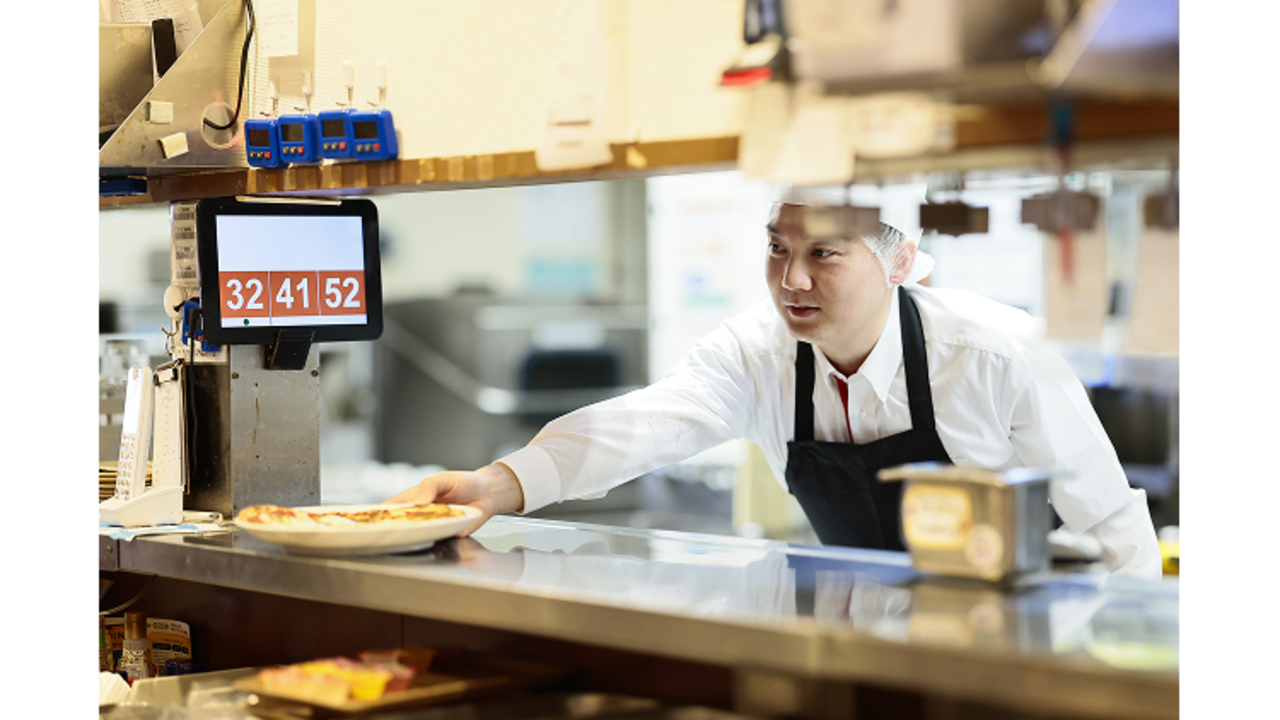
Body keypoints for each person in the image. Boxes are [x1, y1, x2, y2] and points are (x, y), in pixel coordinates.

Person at [389, 186, 1163, 578]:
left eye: (825, 253)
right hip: (856, 633)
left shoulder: (997, 356)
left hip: (1004, 648)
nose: (791, 279)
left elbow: (1110, 528)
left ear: (897, 262)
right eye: (775, 248)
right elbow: (647, 423)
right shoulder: (758, 354)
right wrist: (494, 484)